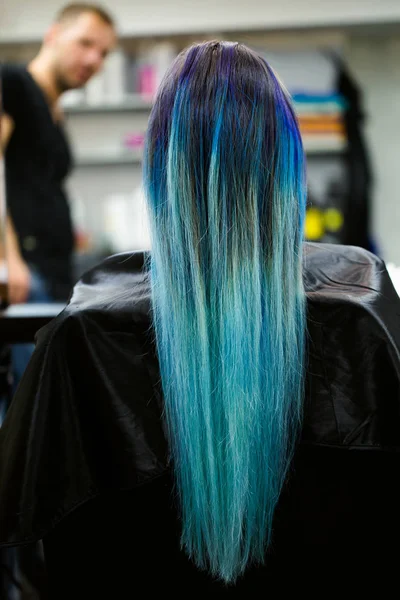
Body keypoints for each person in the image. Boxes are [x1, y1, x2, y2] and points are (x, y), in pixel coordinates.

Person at [0, 41, 400, 596]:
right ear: (286, 162)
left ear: (161, 168)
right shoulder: (358, 305)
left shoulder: (88, 332)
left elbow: (50, 547)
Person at [0, 3, 117, 391]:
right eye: (85, 43)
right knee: (26, 401)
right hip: (23, 275)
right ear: (53, 35)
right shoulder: (14, 84)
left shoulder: (53, 111)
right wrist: (8, 258)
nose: (93, 59)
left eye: (103, 53)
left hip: (50, 270)